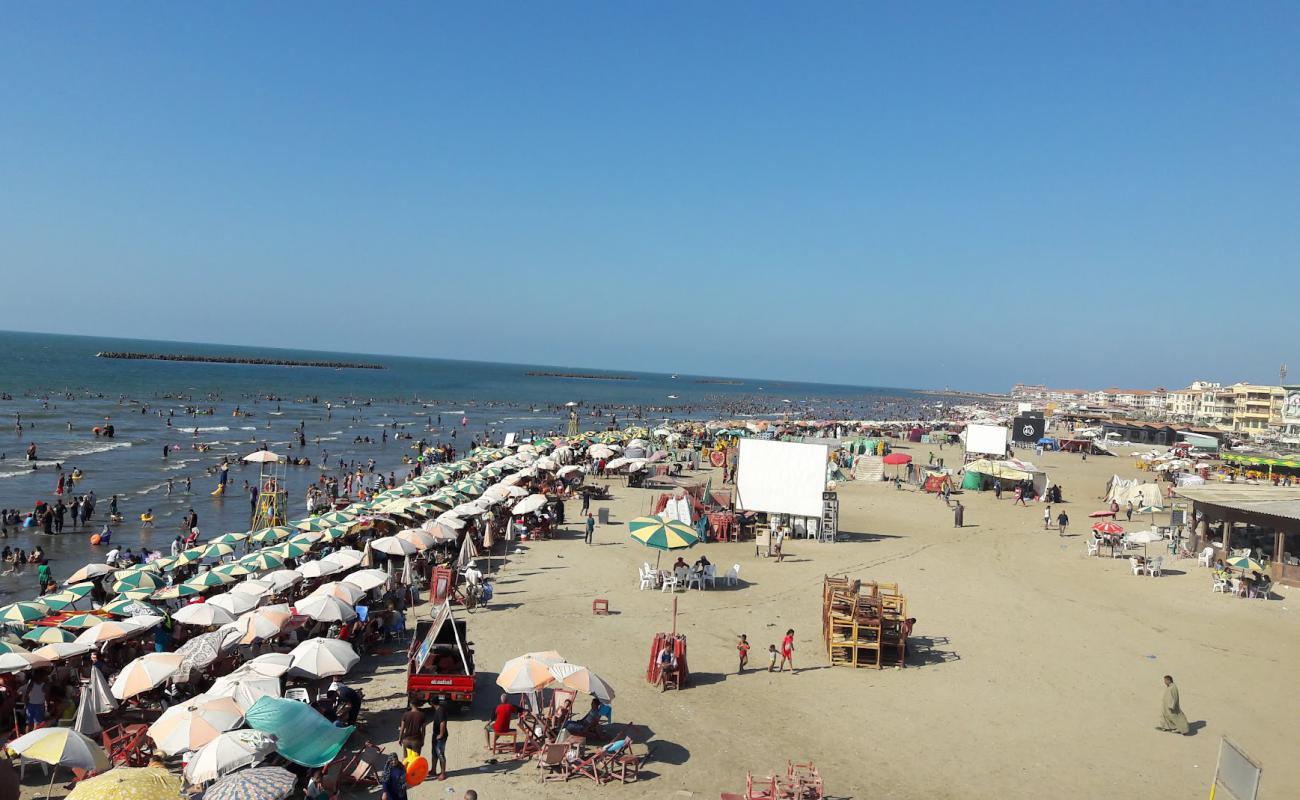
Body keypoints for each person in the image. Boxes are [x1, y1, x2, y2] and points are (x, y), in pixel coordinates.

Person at [430, 698, 449, 781]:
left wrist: (441, 734)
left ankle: (443, 773)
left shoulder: (440, 711)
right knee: (434, 753)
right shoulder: (439, 709)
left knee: (440, 754)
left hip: (440, 737)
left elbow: (442, 723)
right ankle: (433, 770)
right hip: (436, 735)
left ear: (431, 703)